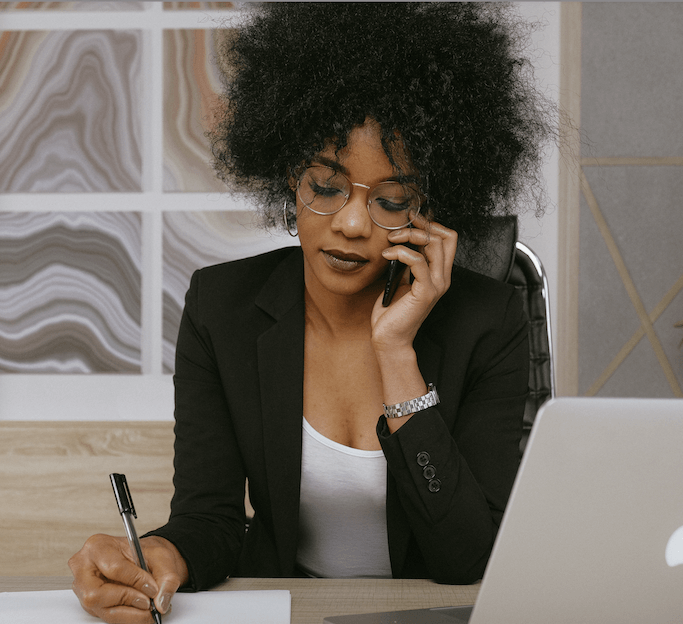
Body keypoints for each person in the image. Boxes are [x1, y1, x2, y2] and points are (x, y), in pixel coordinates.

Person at [69, 3, 555, 622]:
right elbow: (209, 520)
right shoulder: (224, 310)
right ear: (286, 178)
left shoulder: (486, 320)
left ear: (429, 210)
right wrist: (162, 552)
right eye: (326, 187)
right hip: (287, 609)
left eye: (392, 199)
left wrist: (396, 354)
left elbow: (467, 558)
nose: (352, 224)